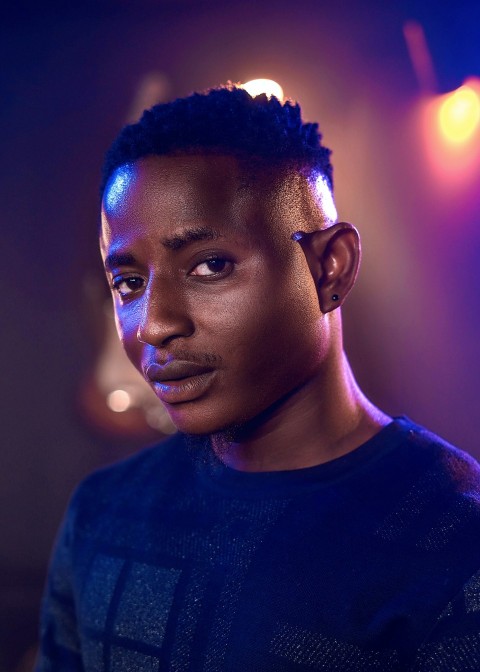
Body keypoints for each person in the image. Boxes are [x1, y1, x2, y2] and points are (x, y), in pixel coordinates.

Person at [36, 85, 480, 671]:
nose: (155, 325)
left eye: (210, 265)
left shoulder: (455, 539)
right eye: (129, 283)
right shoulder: (102, 512)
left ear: (329, 268)